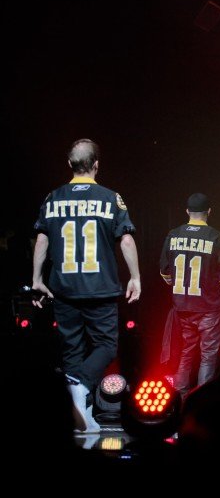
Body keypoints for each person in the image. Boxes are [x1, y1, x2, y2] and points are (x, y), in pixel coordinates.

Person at [31, 139, 141, 433]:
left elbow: (42, 239)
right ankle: (79, 387)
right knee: (106, 346)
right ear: (97, 165)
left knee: (72, 351)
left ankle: (80, 412)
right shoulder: (110, 198)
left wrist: (37, 279)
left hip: (64, 288)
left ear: (70, 165)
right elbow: (126, 239)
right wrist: (135, 277)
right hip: (100, 288)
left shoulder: (52, 198)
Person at [159, 193, 220, 398]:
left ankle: (180, 398)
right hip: (208, 308)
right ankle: (202, 401)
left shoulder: (173, 235)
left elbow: (164, 270)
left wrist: (177, 286)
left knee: (186, 351)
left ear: (187, 211)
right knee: (208, 356)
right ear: (209, 212)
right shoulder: (216, 238)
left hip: (182, 307)